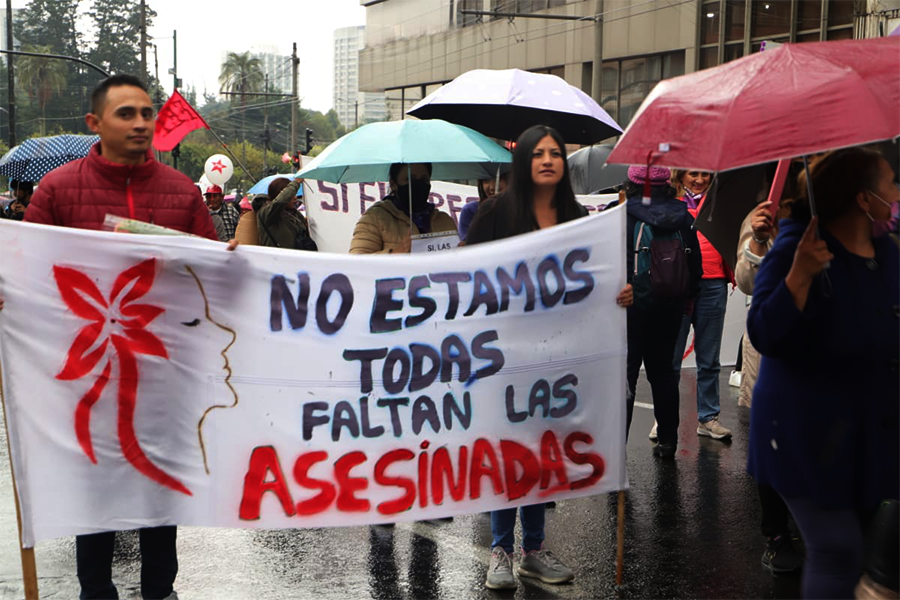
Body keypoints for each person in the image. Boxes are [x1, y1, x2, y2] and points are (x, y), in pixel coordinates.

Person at [22, 73, 220, 600]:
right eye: (126, 113)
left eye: (146, 113)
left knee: (160, 489)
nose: (140, 123)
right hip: (87, 374)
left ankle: (161, 588)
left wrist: (232, 261)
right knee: (96, 487)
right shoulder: (57, 191)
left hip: (165, 376)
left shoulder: (182, 193)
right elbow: (24, 271)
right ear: (96, 122)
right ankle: (95, 591)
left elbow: (213, 277)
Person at [466, 125, 633, 590]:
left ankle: (534, 549)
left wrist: (618, 293)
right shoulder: (495, 213)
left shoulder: (578, 218)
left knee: (542, 451)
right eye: (538, 153)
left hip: (558, 357)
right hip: (503, 356)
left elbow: (593, 281)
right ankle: (500, 549)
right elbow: (463, 275)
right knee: (507, 451)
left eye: (555, 153)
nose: (547, 160)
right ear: (523, 162)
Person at [747, 147, 900, 599]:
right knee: (836, 549)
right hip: (804, 433)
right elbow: (765, 332)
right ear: (863, 198)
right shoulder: (798, 245)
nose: (897, 193)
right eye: (891, 183)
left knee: (862, 543)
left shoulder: (886, 251)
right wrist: (799, 276)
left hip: (869, 431)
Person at [735, 188, 804, 575]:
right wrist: (760, 241)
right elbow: (745, 280)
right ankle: (777, 534)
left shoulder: (844, 217)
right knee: (774, 441)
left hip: (823, 349)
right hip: (774, 348)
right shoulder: (762, 215)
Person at [623, 166, 702, 459]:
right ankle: (668, 442)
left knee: (626, 377)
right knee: (664, 373)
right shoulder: (682, 216)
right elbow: (695, 266)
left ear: (632, 183)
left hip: (629, 306)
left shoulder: (621, 215)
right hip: (670, 306)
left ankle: (617, 448)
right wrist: (688, 300)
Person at [670, 169, 733, 441]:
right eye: (693, 174)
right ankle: (665, 418)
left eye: (705, 174)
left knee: (709, 360)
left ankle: (708, 418)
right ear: (680, 175)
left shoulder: (720, 202)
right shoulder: (669, 201)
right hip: (678, 284)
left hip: (713, 282)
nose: (699, 179)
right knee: (671, 359)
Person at [349, 163, 456, 254]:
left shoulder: (444, 220)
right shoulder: (374, 218)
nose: (418, 185)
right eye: (410, 179)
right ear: (393, 184)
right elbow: (357, 263)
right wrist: (396, 252)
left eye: (424, 179)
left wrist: (460, 252)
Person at [257, 177, 316, 251]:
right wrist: (295, 183)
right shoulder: (267, 213)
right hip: (277, 257)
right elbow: (280, 201)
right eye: (291, 195)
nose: (295, 197)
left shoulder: (294, 214)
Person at [457, 172, 508, 240]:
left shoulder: (520, 211)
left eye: (499, 179)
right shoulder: (470, 210)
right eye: (486, 180)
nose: (492, 187)